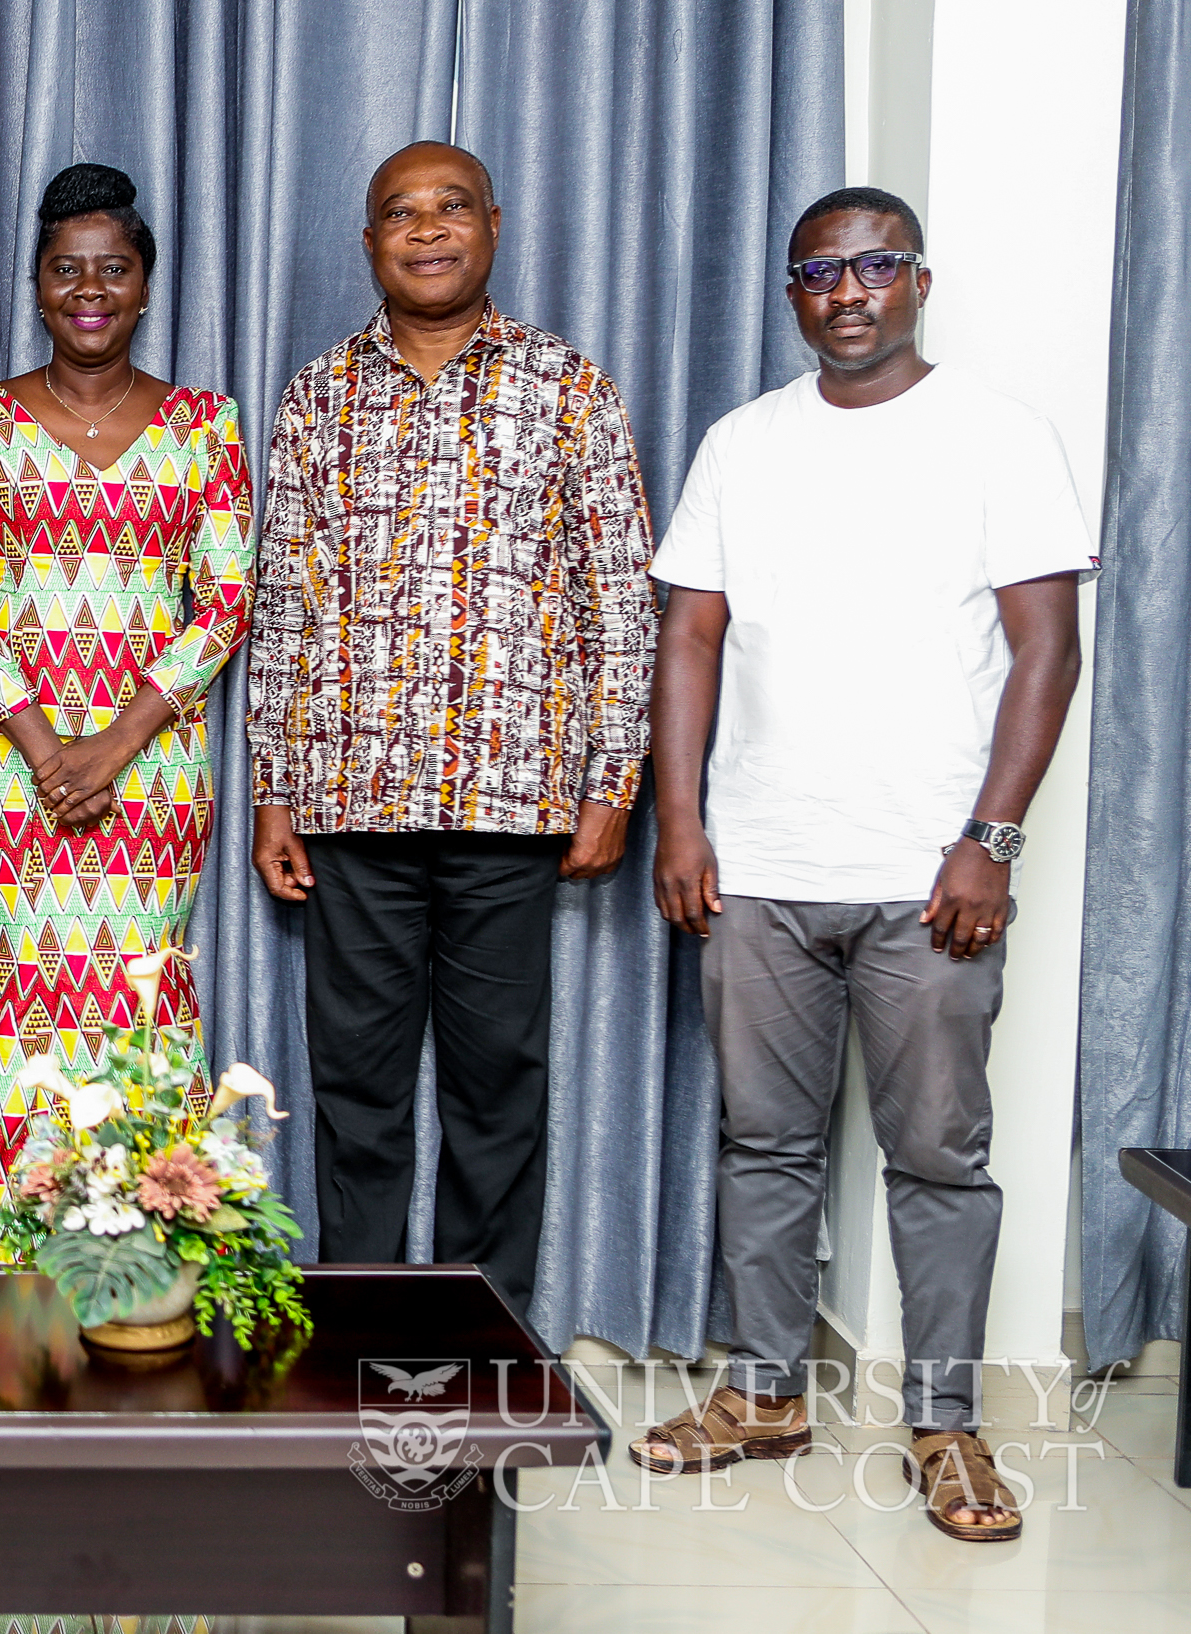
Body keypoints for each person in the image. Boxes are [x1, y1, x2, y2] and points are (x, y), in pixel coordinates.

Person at [632, 187, 1088, 1544]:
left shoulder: (999, 436)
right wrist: (681, 821)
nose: (847, 291)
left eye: (874, 265)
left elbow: (1046, 653)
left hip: (930, 875)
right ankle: (767, 1392)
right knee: (761, 1144)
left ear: (919, 280)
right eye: (819, 272)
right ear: (793, 297)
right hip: (763, 862)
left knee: (940, 1156)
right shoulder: (743, 442)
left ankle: (946, 1425)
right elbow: (690, 640)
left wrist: (990, 841)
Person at [245, 142, 657, 1313]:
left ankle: (483, 1342)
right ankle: (357, 1336)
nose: (426, 230)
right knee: (356, 1092)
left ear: (492, 224)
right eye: (399, 213)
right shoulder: (317, 393)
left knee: (495, 1091)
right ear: (367, 241)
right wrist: (276, 789)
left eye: (450, 208)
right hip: (353, 803)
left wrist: (610, 781)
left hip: (511, 803)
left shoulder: (567, 385)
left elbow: (619, 597)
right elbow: (285, 599)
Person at [0, 164, 254, 1265]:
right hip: (10, 776)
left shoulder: (207, 424)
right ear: (36, 287)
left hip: (151, 775)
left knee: (139, 1010)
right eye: (68, 271)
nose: (90, 289)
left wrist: (114, 740)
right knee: (12, 1008)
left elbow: (227, 601)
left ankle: (141, 1271)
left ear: (145, 286)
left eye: (113, 269)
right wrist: (46, 743)